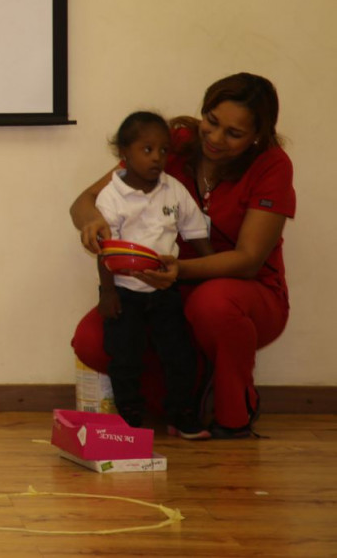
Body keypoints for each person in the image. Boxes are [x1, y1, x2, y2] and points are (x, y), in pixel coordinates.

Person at [70, 73, 294, 439]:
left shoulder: (272, 165)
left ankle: (234, 413)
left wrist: (177, 269)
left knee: (212, 304)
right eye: (212, 121)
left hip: (241, 292)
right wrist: (94, 223)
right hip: (163, 287)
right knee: (94, 340)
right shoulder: (171, 141)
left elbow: (249, 259)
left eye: (234, 134)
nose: (216, 139)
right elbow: (85, 202)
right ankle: (186, 397)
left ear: (257, 136)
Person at [92, 112, 214, 439]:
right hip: (125, 292)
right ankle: (130, 417)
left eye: (163, 151)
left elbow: (195, 233)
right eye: (147, 150)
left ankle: (181, 414)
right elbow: (105, 250)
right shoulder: (111, 197)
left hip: (164, 292)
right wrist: (108, 293)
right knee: (125, 358)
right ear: (124, 154)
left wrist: (216, 269)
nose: (157, 158)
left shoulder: (173, 191)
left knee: (179, 355)